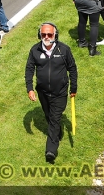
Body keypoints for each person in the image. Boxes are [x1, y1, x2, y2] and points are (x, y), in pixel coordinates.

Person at [25, 23, 78, 164]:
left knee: (54, 119)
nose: (46, 37)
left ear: (55, 35)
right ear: (39, 35)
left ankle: (51, 150)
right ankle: (58, 132)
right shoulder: (34, 50)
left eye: (50, 34)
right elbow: (29, 70)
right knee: (49, 117)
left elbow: (72, 69)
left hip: (60, 92)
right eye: (43, 35)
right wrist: (29, 88)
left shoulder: (64, 50)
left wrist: (73, 88)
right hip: (42, 92)